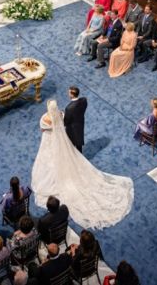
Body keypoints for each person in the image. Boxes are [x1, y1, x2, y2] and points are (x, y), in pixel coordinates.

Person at [31, 101, 133, 229]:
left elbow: (42, 128)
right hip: (62, 142)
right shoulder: (60, 115)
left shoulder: (45, 118)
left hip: (50, 142)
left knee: (50, 164)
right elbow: (62, 120)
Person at [63, 87, 87, 152]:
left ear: (72, 95)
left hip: (71, 128)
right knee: (79, 141)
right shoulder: (84, 100)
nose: (68, 94)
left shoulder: (69, 108)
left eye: (69, 93)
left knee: (71, 143)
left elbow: (66, 122)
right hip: (80, 124)